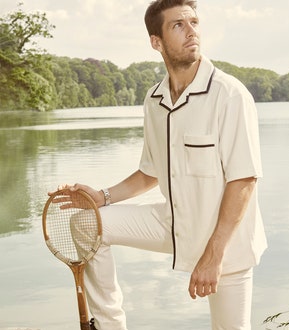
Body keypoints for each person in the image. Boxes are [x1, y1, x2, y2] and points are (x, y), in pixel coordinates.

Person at [51, 0, 267, 329]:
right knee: (86, 224)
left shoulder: (230, 95)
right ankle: (109, 324)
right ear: (157, 42)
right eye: (178, 25)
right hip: (173, 222)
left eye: (194, 22)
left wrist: (213, 255)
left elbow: (244, 181)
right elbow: (151, 171)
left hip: (227, 240)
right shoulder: (154, 100)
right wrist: (102, 196)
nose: (191, 30)